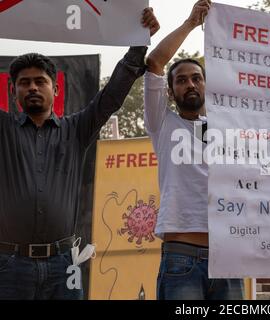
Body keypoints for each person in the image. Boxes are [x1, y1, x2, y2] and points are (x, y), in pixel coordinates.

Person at [0, 8, 160, 300]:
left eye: (40, 81)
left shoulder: (76, 129)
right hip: (9, 266)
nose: (33, 87)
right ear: (13, 92)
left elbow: (110, 97)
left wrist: (139, 42)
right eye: (24, 83)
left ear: (56, 89)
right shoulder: (3, 130)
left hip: (64, 264)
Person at [143, 0, 243, 300]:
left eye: (197, 78)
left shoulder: (228, 124)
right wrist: (190, 23)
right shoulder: (162, 122)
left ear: (206, 86)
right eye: (181, 80)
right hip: (180, 257)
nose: (190, 84)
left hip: (226, 259)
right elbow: (155, 63)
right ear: (170, 91)